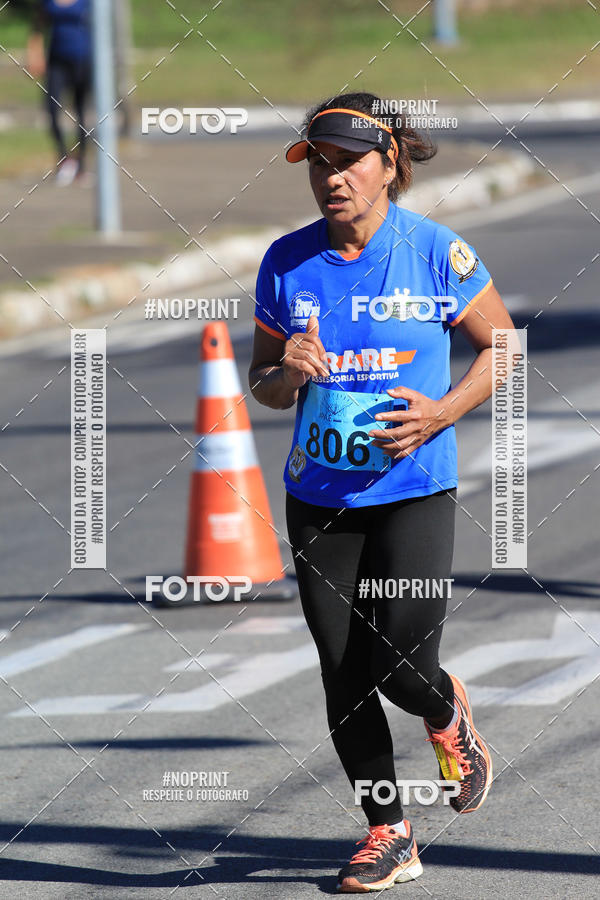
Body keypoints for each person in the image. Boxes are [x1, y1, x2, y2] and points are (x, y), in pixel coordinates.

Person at [248, 91, 515, 893]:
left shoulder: (436, 252)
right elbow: (261, 384)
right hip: (320, 497)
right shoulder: (287, 263)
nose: (332, 179)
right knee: (342, 670)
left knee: (400, 666)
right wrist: (283, 373)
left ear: (390, 161)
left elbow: (501, 348)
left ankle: (445, 714)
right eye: (318, 165)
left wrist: (442, 412)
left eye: (348, 161)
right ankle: (389, 832)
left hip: (412, 490)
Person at [27, 0, 92, 185]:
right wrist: (34, 52)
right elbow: (38, 25)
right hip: (56, 61)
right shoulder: (48, 2)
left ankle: (81, 165)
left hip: (83, 60)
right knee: (51, 108)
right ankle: (64, 158)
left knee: (81, 111)